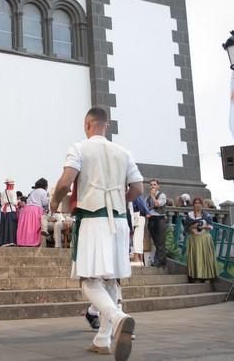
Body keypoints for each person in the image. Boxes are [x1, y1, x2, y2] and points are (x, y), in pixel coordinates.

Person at [50, 107, 142, 360]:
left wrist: (54, 204)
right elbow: (137, 188)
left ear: (86, 124)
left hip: (92, 218)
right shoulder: (123, 152)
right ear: (106, 125)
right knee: (110, 279)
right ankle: (102, 338)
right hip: (119, 219)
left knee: (88, 278)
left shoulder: (79, 148)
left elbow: (65, 181)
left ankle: (118, 317)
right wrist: (118, 200)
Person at [184, 198, 218, 282]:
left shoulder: (206, 215)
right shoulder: (190, 215)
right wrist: (192, 228)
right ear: (193, 205)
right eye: (196, 203)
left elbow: (211, 226)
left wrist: (202, 227)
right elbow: (186, 227)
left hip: (204, 238)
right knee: (196, 257)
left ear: (202, 205)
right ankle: (195, 276)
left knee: (205, 257)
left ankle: (206, 276)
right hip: (194, 239)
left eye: (199, 203)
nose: (197, 204)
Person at [17, 178, 48, 247]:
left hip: (26, 209)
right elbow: (45, 202)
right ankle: (33, 242)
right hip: (36, 209)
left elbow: (27, 200)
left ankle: (24, 242)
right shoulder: (43, 191)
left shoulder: (33, 191)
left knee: (26, 227)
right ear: (45, 185)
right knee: (34, 227)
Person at [145, 179, 168, 267]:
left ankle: (159, 261)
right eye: (151, 185)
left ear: (158, 186)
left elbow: (158, 204)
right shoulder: (147, 198)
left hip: (160, 219)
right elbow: (145, 208)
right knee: (156, 241)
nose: (152, 186)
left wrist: (153, 196)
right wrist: (146, 213)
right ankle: (162, 260)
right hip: (151, 219)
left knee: (160, 241)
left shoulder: (162, 195)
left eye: (154, 184)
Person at [129, 196, 149, 266]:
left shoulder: (134, 192)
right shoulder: (138, 194)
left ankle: (136, 259)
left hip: (137, 215)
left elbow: (140, 204)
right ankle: (139, 259)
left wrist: (146, 211)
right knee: (139, 237)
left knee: (137, 237)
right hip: (139, 215)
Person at [0, 178, 18, 246]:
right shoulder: (13, 191)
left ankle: (4, 241)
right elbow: (14, 201)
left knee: (4, 225)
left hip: (3, 210)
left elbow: (2, 203)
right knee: (11, 226)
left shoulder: (3, 192)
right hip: (11, 209)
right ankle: (11, 240)